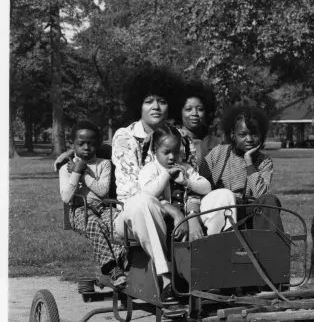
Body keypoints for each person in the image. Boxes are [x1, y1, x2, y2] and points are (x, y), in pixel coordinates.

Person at [118, 123, 213, 299]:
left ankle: (199, 282)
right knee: (144, 202)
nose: (172, 157)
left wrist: (187, 182)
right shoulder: (150, 170)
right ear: (155, 151)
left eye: (176, 152)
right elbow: (148, 193)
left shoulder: (185, 168)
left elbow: (206, 187)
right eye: (166, 152)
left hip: (179, 222)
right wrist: (166, 175)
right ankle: (166, 278)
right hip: (156, 219)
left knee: (187, 248)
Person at [58, 120, 126, 288]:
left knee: (121, 223)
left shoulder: (104, 164)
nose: (86, 148)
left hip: (103, 207)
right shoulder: (65, 168)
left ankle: (125, 261)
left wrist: (84, 174)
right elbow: (66, 198)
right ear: (72, 144)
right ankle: (111, 268)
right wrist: (75, 172)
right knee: (95, 224)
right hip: (79, 210)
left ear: (99, 144)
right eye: (81, 144)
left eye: (91, 144)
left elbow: (102, 191)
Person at [198, 104, 282, 233]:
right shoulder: (218, 153)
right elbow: (200, 183)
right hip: (220, 209)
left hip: (249, 211)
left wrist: (249, 162)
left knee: (270, 199)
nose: (249, 139)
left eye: (254, 134)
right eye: (242, 134)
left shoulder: (264, 161)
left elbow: (261, 195)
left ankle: (273, 245)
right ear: (232, 135)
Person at [178, 78, 221, 171]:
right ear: (179, 112)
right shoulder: (172, 139)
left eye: (200, 109)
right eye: (188, 109)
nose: (195, 113)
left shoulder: (217, 143)